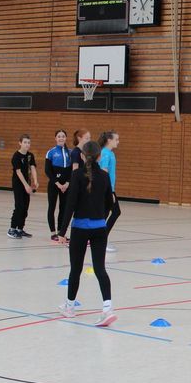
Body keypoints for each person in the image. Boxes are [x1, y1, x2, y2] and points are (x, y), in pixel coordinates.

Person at [57, 140, 116, 327]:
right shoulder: (105, 177)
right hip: (100, 229)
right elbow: (110, 204)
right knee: (100, 268)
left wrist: (62, 231)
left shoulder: (76, 175)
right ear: (99, 156)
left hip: (80, 229)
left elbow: (70, 204)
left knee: (76, 268)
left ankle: (70, 306)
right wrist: (100, 218)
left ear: (82, 156)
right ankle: (107, 308)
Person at [8, 134, 39, 239]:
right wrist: (25, 185)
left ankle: (20, 229)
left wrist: (35, 181)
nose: (27, 145)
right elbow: (18, 172)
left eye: (29, 143)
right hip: (18, 184)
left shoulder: (30, 156)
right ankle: (12, 229)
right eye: (25, 142)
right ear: (20, 143)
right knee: (19, 206)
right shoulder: (16, 156)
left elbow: (33, 168)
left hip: (28, 185)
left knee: (25, 207)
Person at [45, 130, 72, 241]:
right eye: (59, 136)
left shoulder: (70, 152)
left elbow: (72, 170)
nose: (61, 138)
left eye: (63, 136)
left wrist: (67, 183)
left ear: (66, 138)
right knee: (52, 207)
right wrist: (57, 183)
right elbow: (47, 170)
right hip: (54, 184)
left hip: (66, 185)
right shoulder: (51, 152)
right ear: (55, 138)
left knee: (64, 208)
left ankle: (61, 233)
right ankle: (53, 233)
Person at [98, 130, 120, 253]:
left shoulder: (110, 153)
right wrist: (109, 192)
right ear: (109, 140)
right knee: (115, 212)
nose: (118, 142)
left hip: (110, 189)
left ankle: (100, 239)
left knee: (105, 214)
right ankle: (102, 240)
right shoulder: (105, 153)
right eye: (116, 139)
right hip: (106, 190)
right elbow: (104, 171)